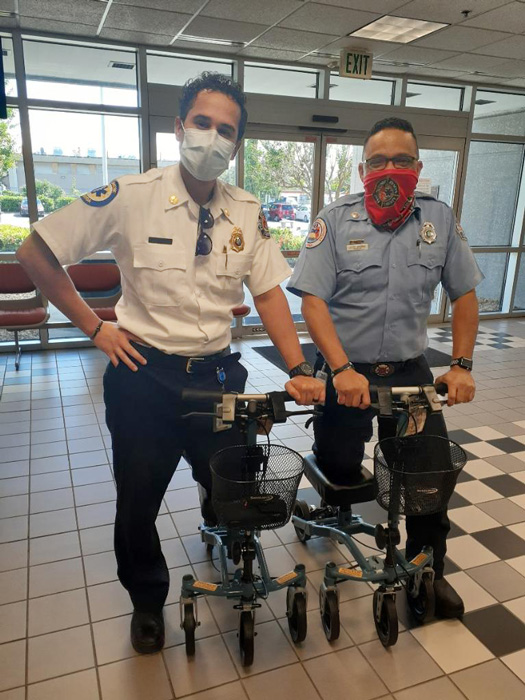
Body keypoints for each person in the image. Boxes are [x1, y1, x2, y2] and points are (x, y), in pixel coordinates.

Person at [16, 72, 324, 654]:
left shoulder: (246, 211)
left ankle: (226, 538)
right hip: (143, 378)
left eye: (226, 131)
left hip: (216, 375)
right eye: (202, 123)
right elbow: (36, 250)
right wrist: (94, 327)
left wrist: (298, 368)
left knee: (233, 483)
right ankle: (147, 601)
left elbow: (266, 295)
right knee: (138, 502)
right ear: (179, 127)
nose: (212, 138)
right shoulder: (133, 196)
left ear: (236, 146)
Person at [288, 116, 482, 619]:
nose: (390, 169)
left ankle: (430, 569)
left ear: (418, 167)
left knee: (429, 473)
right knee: (338, 463)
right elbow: (313, 302)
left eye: (401, 160)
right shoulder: (334, 221)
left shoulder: (438, 220)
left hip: (410, 373)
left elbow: (464, 293)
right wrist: (340, 368)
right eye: (378, 161)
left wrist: (460, 364)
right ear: (361, 169)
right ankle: (335, 510)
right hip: (344, 370)